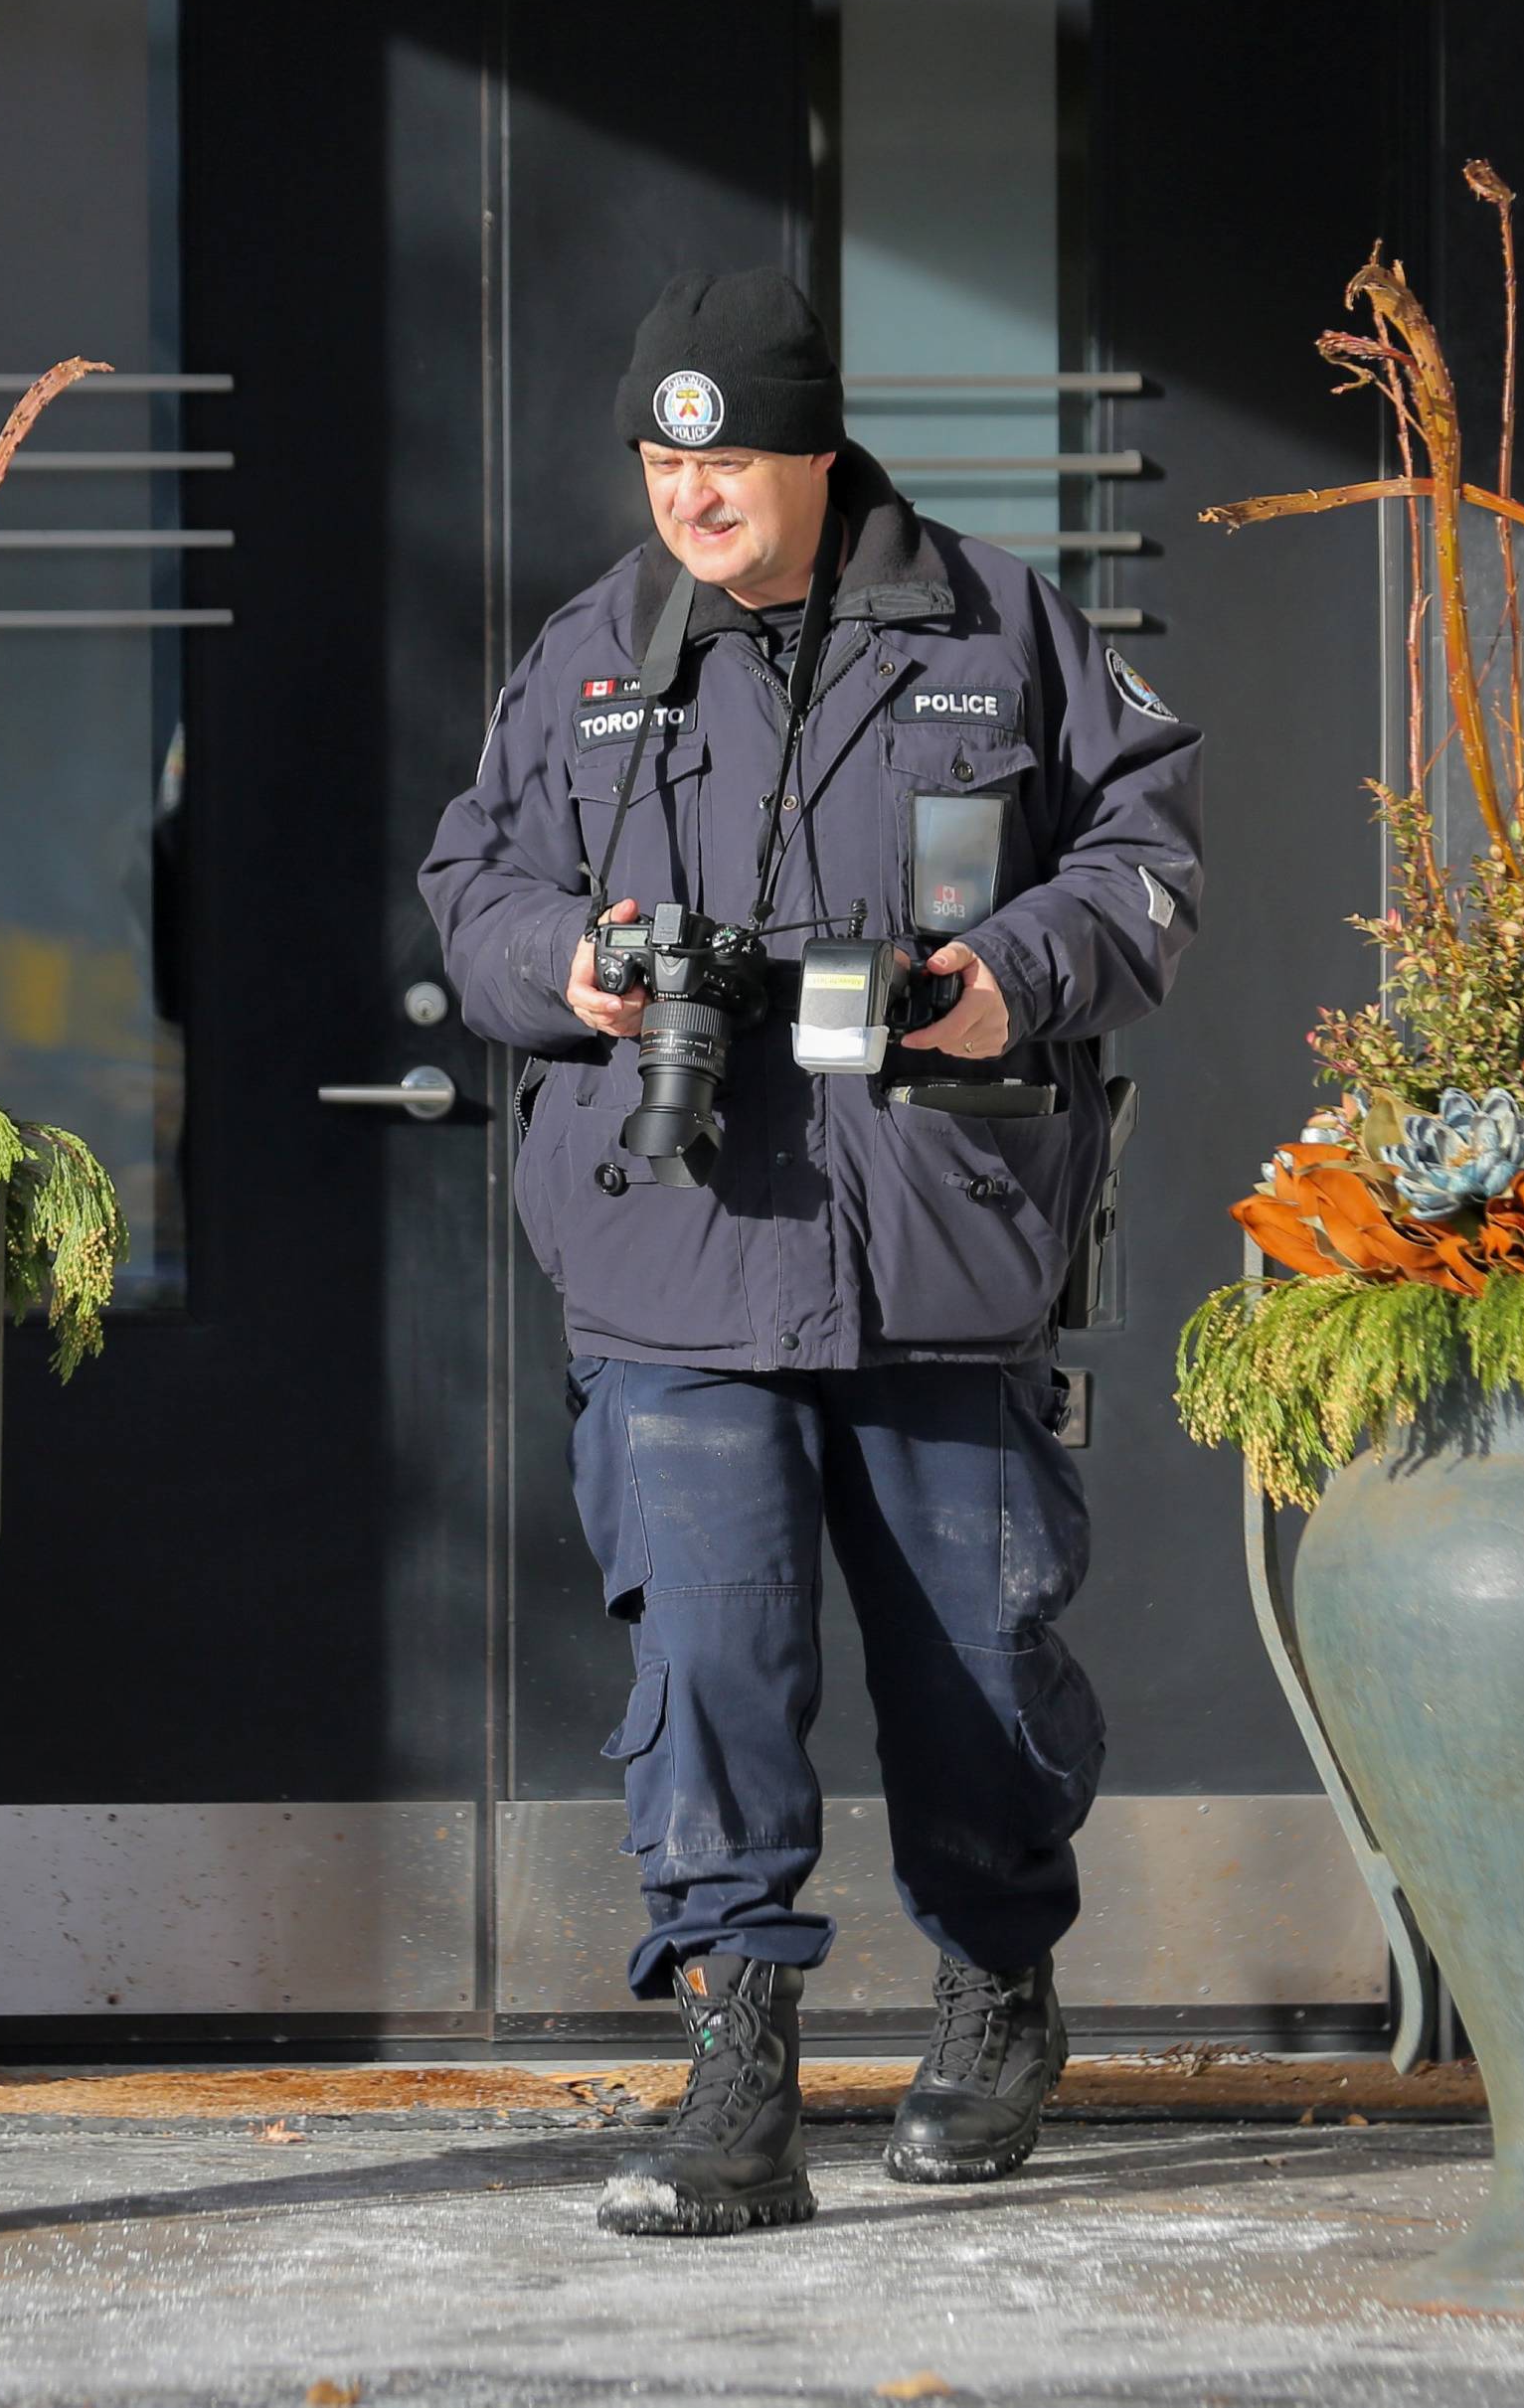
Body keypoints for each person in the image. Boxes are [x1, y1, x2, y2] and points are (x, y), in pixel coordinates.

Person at [421, 267, 1202, 2238]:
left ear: (818, 455)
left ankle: (998, 1982)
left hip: (938, 1240)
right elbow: (474, 879)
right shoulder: (593, 647)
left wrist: (1003, 979)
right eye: (665, 459)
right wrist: (563, 973)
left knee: (979, 1680)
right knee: (707, 1669)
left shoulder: (1000, 624)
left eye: (730, 458)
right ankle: (739, 2063)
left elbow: (1146, 855)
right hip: (669, 1251)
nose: (692, 495)